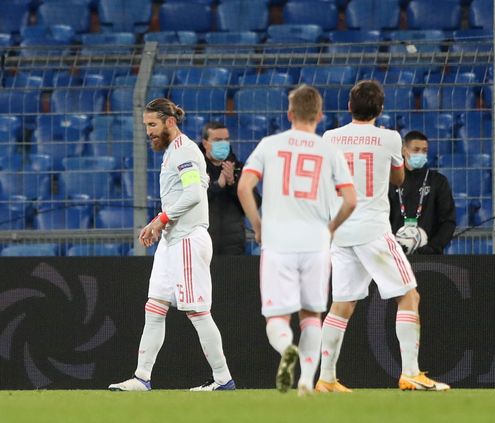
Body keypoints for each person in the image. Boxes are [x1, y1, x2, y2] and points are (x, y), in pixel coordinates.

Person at [317, 80, 450, 393]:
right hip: (373, 229)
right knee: (409, 295)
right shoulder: (390, 138)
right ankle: (411, 372)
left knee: (342, 305)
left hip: (341, 231)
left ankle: (325, 378)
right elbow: (398, 178)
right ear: (380, 109)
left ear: (349, 107)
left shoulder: (330, 137)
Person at [109, 98, 236, 392]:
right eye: (146, 126)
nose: (149, 131)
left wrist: (161, 219)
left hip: (188, 240)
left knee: (196, 311)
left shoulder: (185, 150)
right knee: (155, 306)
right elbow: (182, 194)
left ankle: (222, 379)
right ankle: (141, 378)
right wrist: (160, 222)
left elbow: (193, 193)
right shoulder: (171, 153)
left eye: (152, 125)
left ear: (169, 121)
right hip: (171, 240)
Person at [237, 85, 357, 395]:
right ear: (319, 115)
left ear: (290, 114)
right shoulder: (329, 150)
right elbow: (351, 200)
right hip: (316, 241)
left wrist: (258, 224)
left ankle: (285, 348)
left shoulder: (269, 144)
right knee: (312, 314)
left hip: (278, 240)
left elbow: (243, 187)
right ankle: (306, 379)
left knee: (278, 316)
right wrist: (331, 227)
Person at [389, 130, 456, 254]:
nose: (420, 154)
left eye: (424, 151)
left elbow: (448, 221)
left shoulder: (438, 181)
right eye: (416, 150)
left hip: (429, 255)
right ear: (404, 151)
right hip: (395, 254)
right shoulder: (390, 180)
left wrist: (433, 247)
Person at [200, 121, 259, 255]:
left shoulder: (239, 168)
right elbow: (191, 198)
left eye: (226, 140)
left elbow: (255, 202)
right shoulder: (196, 168)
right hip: (203, 244)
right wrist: (218, 185)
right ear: (205, 143)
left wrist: (233, 183)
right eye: (217, 140)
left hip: (233, 245)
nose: (223, 143)